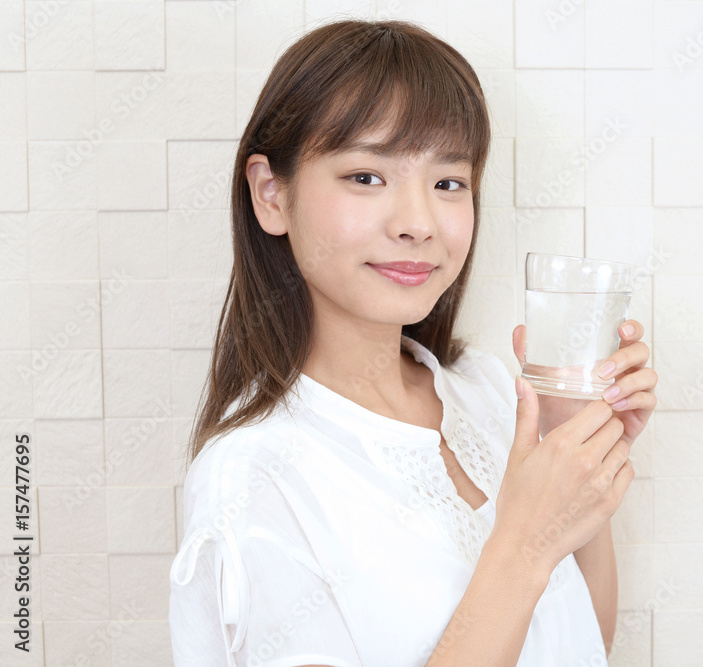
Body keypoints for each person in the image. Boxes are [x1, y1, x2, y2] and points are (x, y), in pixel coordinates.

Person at [168, 18, 657, 667]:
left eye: (448, 182)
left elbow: (582, 642)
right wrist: (525, 544)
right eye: (367, 176)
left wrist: (572, 438)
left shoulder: (490, 391)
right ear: (271, 194)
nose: (418, 223)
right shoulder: (253, 480)